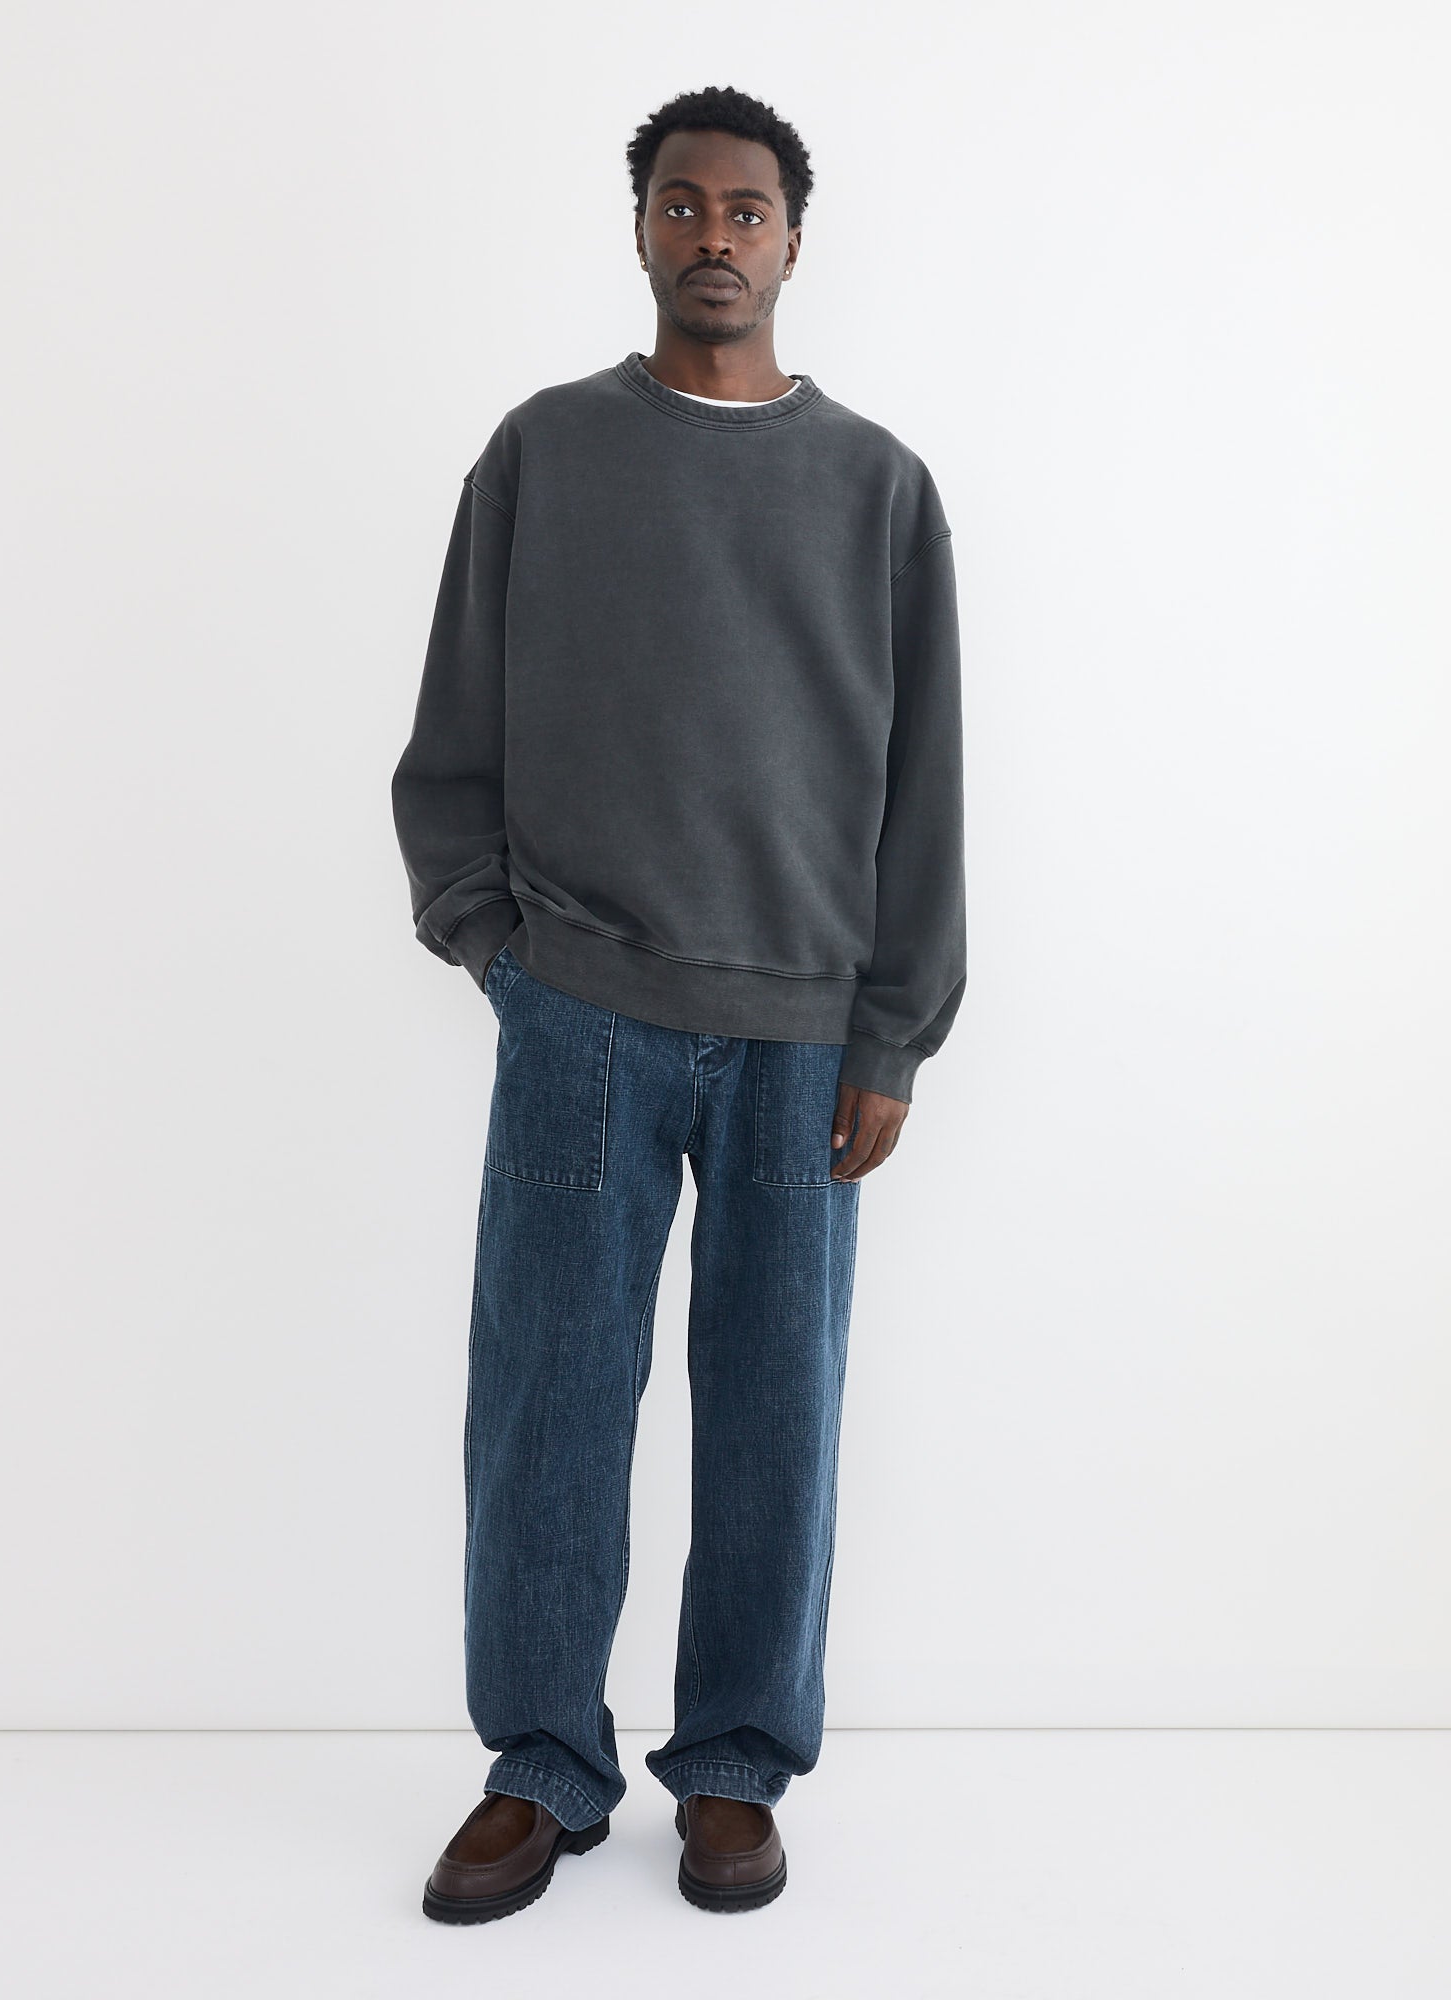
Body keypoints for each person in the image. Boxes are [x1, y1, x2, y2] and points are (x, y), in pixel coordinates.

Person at [391, 83, 966, 1923]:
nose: (714, 236)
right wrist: (498, 945)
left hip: (801, 1023)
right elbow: (453, 735)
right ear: (638, 228)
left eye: (747, 210)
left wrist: (891, 1029)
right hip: (582, 1006)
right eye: (681, 205)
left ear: (796, 240)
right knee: (550, 1397)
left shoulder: (878, 488)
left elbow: (925, 783)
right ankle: (540, 1766)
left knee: (774, 1409)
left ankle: (732, 1765)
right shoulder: (544, 457)